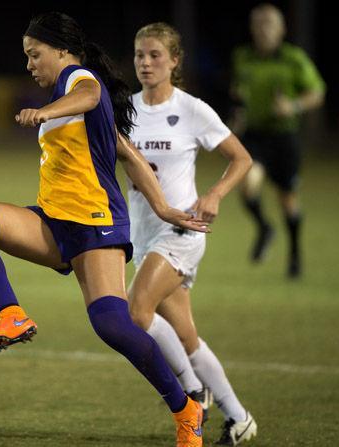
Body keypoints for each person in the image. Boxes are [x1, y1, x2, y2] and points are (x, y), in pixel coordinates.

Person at [0, 11, 209, 447]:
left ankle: (186, 409)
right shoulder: (63, 96)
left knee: (112, 325)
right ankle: (11, 315)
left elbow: (89, 93)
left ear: (62, 51)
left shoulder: (77, 79)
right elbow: (127, 153)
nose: (30, 65)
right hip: (55, 222)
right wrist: (161, 205)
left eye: (35, 55)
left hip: (95, 224)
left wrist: (45, 110)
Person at [126, 22, 257, 446]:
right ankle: (239, 417)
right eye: (139, 55)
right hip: (143, 237)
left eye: (155, 56)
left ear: (174, 61)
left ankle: (192, 393)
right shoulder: (125, 110)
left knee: (135, 311)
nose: (145, 63)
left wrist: (215, 194)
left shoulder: (193, 110)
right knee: (186, 337)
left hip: (182, 231)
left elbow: (240, 158)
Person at [231, 3, 325, 278]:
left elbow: (317, 92)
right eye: (259, 24)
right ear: (252, 29)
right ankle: (264, 228)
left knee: (288, 200)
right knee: (248, 186)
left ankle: (295, 255)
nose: (264, 30)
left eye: (269, 24)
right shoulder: (243, 57)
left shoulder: (293, 58)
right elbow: (238, 93)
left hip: (285, 137)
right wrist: (237, 117)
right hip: (255, 136)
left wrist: (293, 106)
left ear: (281, 28)